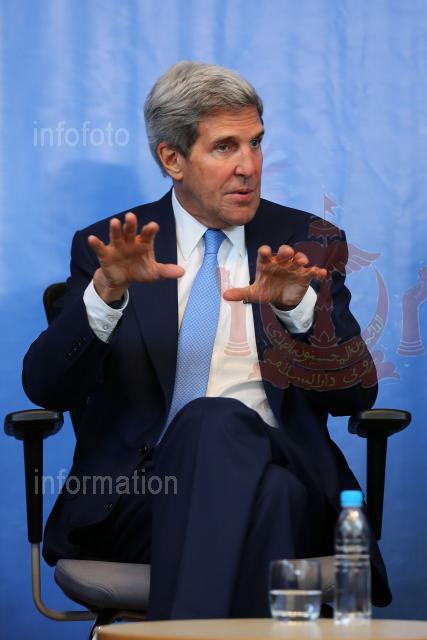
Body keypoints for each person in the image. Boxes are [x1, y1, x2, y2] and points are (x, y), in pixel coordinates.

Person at [23, 61, 390, 619]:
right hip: (143, 499)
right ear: (172, 159)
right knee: (260, 486)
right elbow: (46, 386)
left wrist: (299, 310)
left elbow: (355, 395)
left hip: (287, 469)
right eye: (225, 148)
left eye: (256, 143)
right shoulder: (113, 246)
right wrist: (106, 294)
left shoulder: (304, 243)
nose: (249, 166)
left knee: (223, 432)